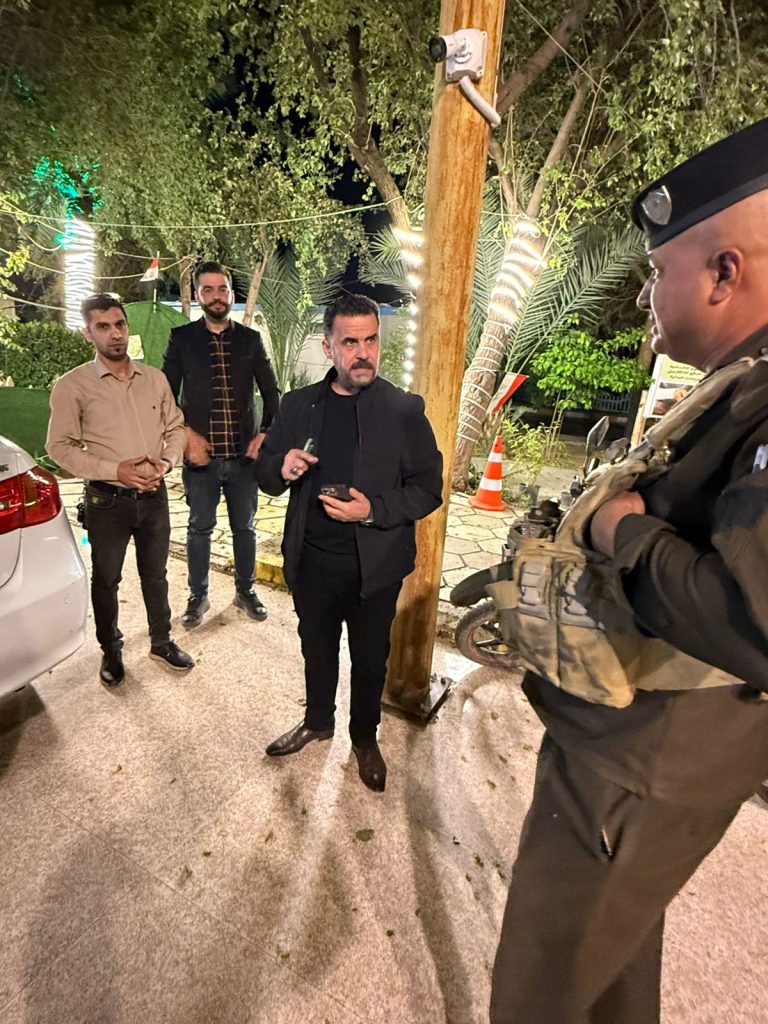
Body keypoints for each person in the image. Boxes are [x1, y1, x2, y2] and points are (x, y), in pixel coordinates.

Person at [490, 117, 768, 1023]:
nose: (646, 294)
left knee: (540, 986)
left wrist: (622, 532)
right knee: (609, 971)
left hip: (645, 763)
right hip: (633, 747)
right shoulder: (736, 383)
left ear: (723, 272)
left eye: (657, 271)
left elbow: (753, 617)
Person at [254, 293, 443, 792]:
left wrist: (372, 510)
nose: (363, 353)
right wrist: (281, 466)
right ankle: (318, 722)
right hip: (311, 563)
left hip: (374, 570)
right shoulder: (298, 406)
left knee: (369, 660)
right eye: (350, 342)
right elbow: (265, 472)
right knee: (316, 651)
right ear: (329, 347)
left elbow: (428, 489)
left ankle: (364, 738)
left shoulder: (404, 411)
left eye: (371, 340)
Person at [47, 293, 194, 687]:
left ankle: (161, 641)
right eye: (103, 327)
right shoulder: (72, 386)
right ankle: (111, 650)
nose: (115, 334)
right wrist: (115, 470)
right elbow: (59, 446)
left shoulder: (155, 379)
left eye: (119, 324)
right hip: (107, 501)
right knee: (107, 579)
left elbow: (176, 427)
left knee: (156, 575)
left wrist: (167, 462)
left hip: (154, 497)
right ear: (87, 333)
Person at [162, 261, 279, 628]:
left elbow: (272, 392)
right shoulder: (182, 339)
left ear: (231, 293)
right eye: (208, 289)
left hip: (244, 459)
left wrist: (265, 434)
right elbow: (164, 396)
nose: (217, 296)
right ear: (198, 295)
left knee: (245, 528)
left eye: (223, 289)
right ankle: (198, 596)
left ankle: (245, 591)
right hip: (202, 460)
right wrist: (186, 435)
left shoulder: (250, 340)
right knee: (199, 529)